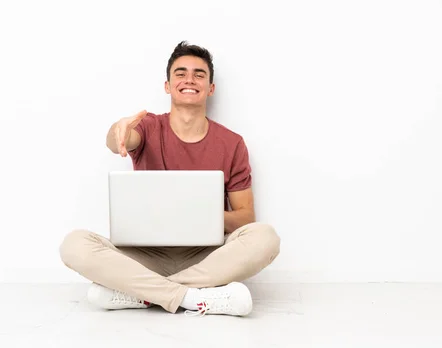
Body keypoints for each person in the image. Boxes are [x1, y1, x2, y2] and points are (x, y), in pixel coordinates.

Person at [59, 41, 281, 317]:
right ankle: (192, 297)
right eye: (180, 73)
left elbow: (246, 217)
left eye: (199, 74)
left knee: (266, 238)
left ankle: (142, 294)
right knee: (74, 244)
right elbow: (121, 141)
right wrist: (118, 130)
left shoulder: (232, 143)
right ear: (167, 85)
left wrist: (199, 212)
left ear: (210, 89)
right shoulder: (148, 127)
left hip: (206, 256)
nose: (189, 79)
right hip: (145, 255)